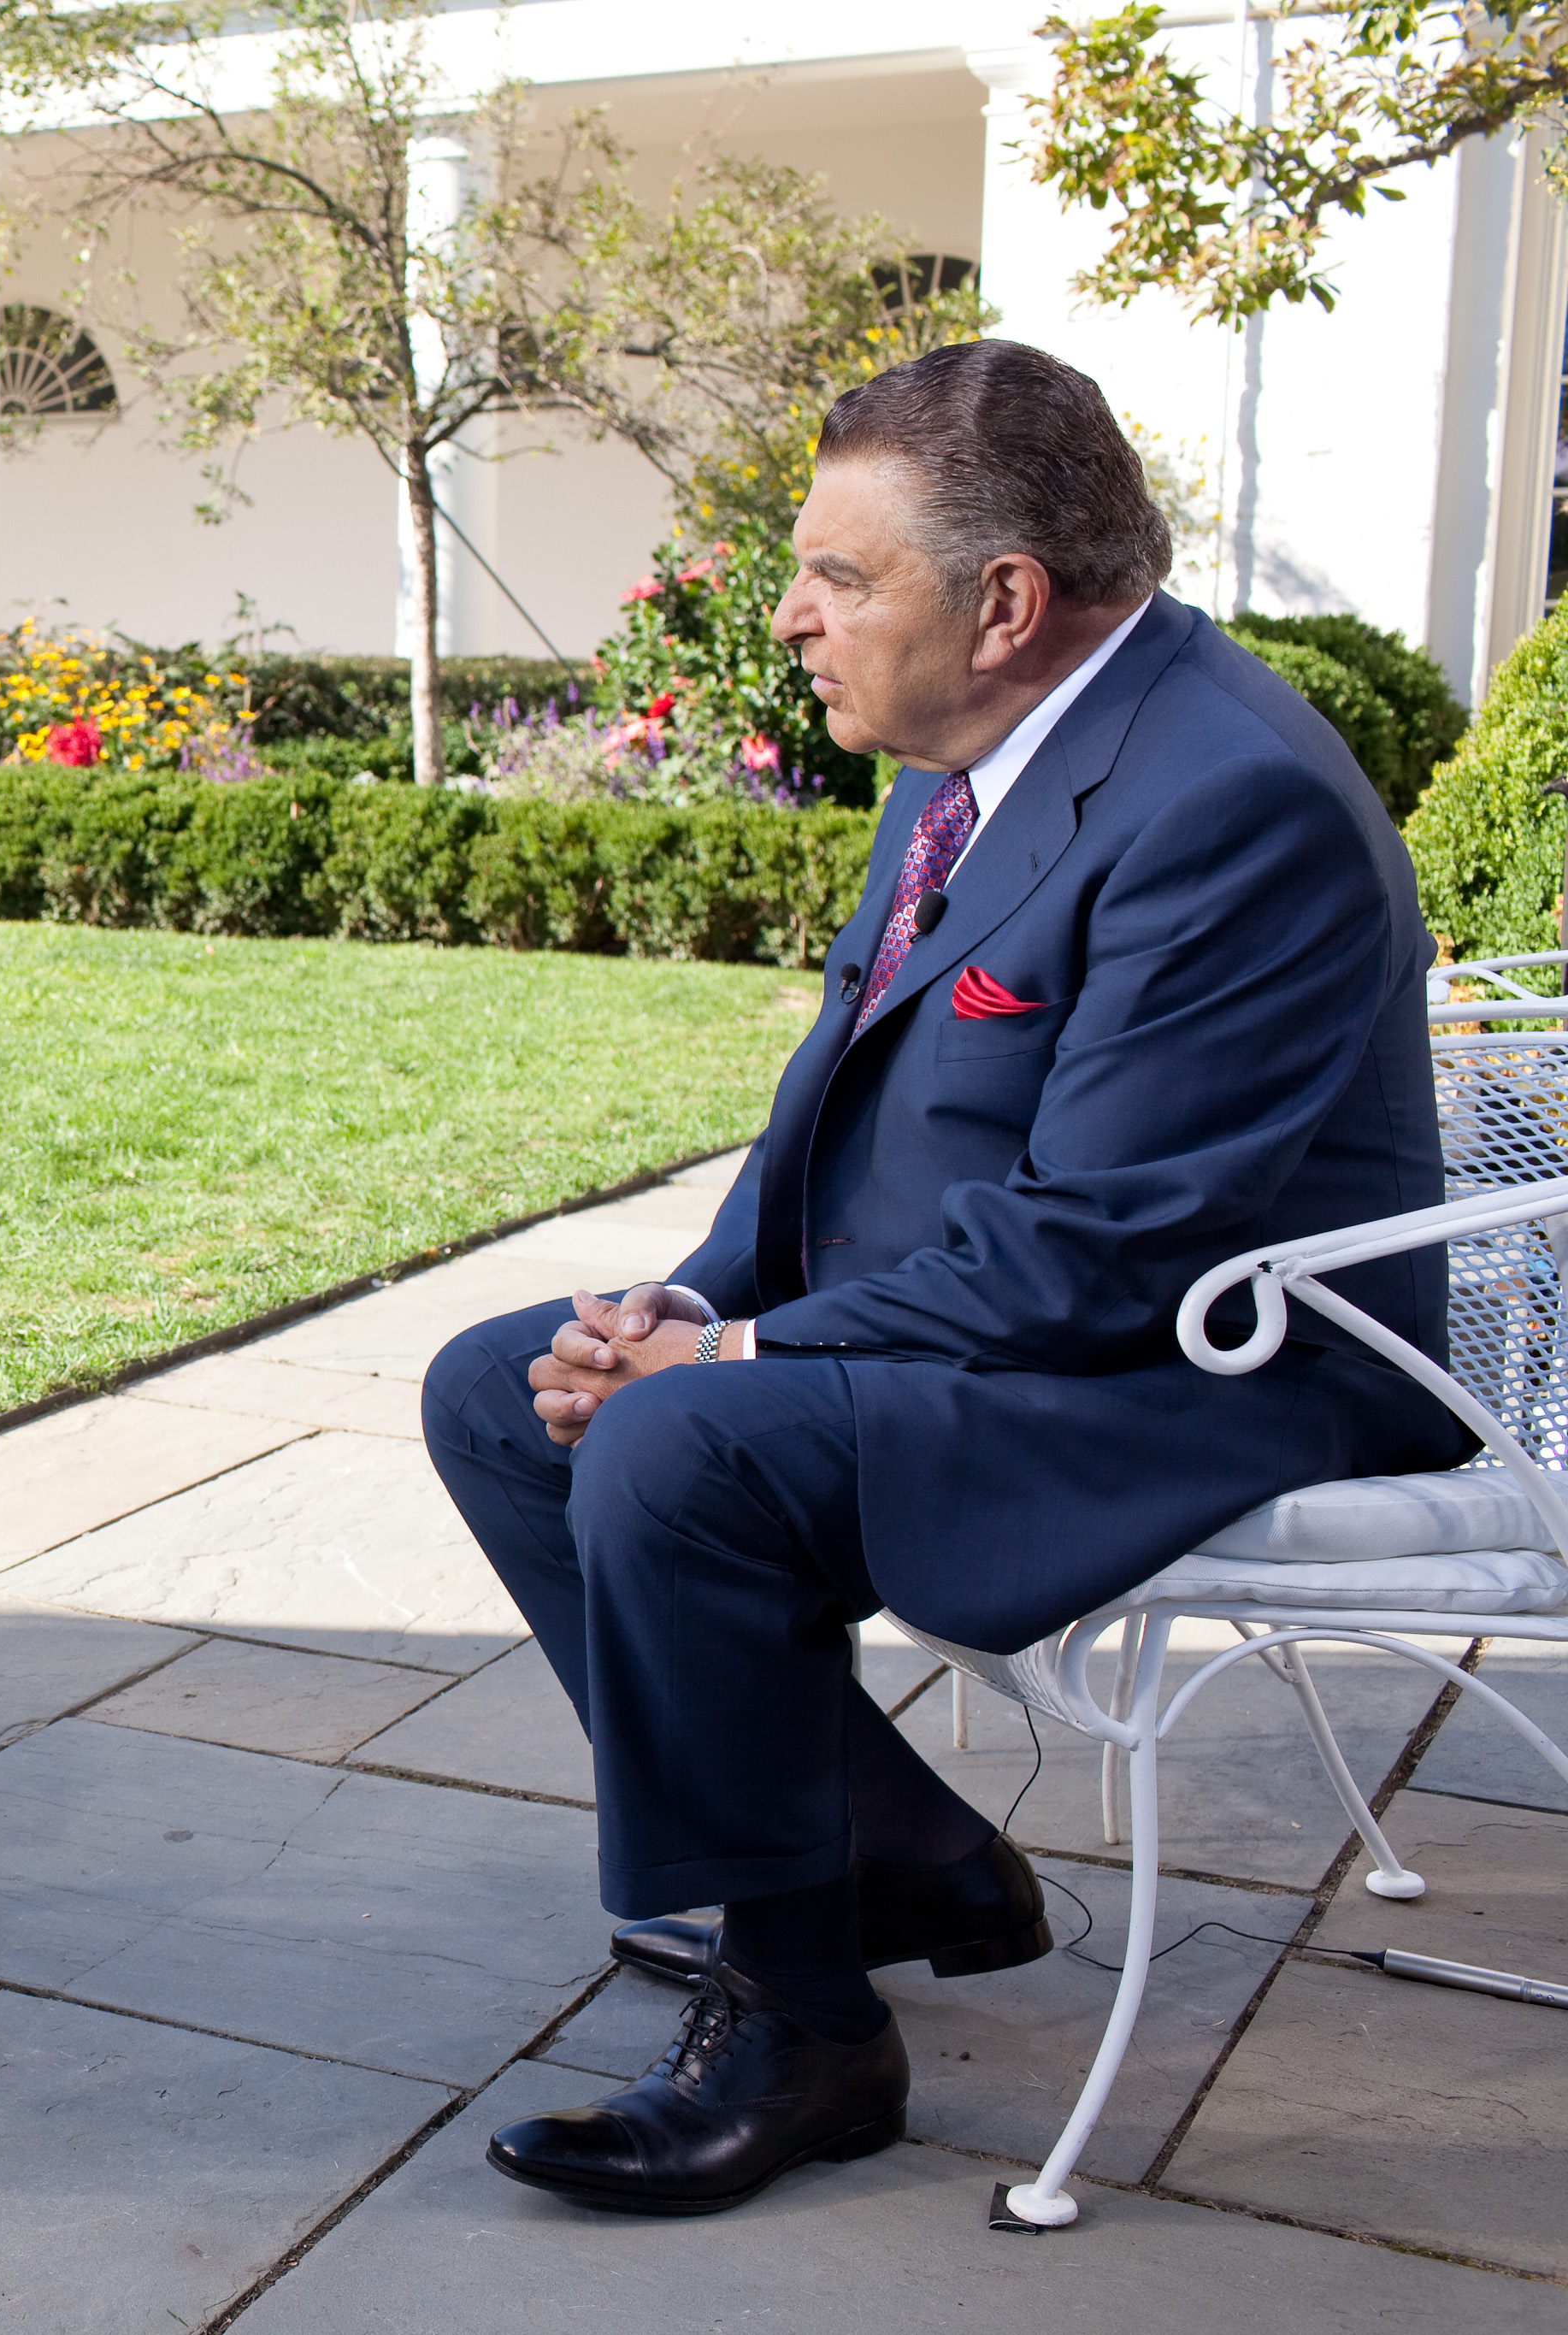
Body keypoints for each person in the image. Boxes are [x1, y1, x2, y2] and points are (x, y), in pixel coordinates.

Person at [418, 339, 1465, 2215]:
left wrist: (727, 1361)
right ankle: (896, 1850)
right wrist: (668, 1309)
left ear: (1002, 601)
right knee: (511, 1392)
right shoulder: (975, 750)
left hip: (1223, 1371)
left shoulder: (1229, 800)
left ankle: (806, 2016)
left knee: (680, 1455)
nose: (790, 613)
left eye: (836, 574)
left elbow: (1107, 1242)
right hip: (1046, 1318)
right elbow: (829, 1108)